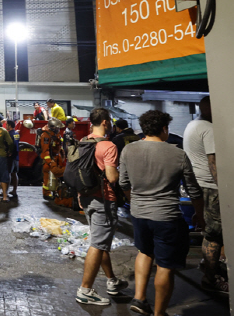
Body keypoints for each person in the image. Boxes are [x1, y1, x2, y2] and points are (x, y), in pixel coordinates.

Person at [121, 110, 205, 315]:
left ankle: (139, 299)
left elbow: (123, 183)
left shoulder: (128, 150)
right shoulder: (178, 154)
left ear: (144, 129)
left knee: (144, 251)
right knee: (165, 265)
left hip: (139, 215)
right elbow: (193, 190)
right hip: (166, 217)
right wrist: (199, 215)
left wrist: (135, 203)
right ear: (164, 129)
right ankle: (159, 313)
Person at [75, 108, 128, 306]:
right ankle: (85, 290)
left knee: (100, 240)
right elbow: (113, 177)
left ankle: (112, 281)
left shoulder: (83, 142)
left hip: (86, 198)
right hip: (104, 200)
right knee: (97, 244)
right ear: (105, 123)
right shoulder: (108, 146)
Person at [183, 96, 227, 292]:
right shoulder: (209, 130)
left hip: (198, 185)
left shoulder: (192, 125)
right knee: (214, 234)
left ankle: (208, 264)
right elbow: (213, 163)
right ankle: (211, 278)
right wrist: (225, 189)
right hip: (212, 188)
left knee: (207, 228)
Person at [40, 118, 64, 201]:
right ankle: (46, 193)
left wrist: (62, 153)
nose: (58, 129)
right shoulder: (46, 135)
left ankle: (56, 191)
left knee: (57, 176)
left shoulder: (55, 133)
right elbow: (45, 150)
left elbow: (58, 145)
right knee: (47, 177)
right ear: (52, 127)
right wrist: (50, 161)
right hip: (50, 158)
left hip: (57, 157)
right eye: (57, 127)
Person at [7, 120, 21, 199]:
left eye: (7, 125)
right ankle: (14, 190)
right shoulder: (16, 134)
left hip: (11, 157)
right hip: (16, 156)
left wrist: (10, 153)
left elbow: (12, 145)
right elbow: (16, 144)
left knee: (8, 173)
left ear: (9, 126)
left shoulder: (9, 134)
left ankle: (6, 191)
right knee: (14, 173)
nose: (6, 126)